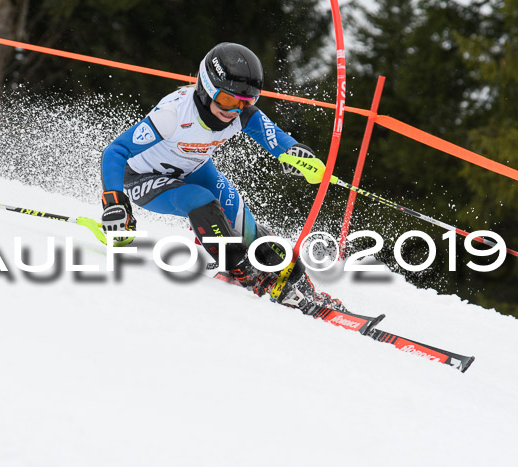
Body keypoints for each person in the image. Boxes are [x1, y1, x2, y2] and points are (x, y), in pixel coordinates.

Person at [99, 42, 345, 318]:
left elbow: (279, 143)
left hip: (196, 170)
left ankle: (301, 286)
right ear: (206, 87)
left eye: (245, 102)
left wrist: (300, 158)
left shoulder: (242, 114)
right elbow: (115, 152)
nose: (234, 111)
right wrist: (114, 203)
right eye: (228, 100)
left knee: (249, 231)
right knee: (200, 200)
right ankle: (246, 273)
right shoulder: (173, 115)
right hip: (145, 178)